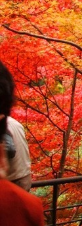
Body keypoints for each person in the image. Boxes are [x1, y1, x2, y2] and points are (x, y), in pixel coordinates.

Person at [0, 61, 44, 226]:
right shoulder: (15, 123)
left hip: (14, 178)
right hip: (24, 174)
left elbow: (10, 149)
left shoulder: (6, 126)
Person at [6, 116, 32, 191]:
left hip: (11, 179)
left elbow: (9, 150)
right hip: (24, 176)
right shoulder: (15, 123)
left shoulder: (2, 126)